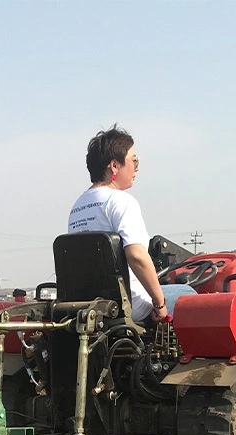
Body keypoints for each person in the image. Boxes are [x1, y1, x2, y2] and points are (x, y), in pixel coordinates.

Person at [68, 125, 194, 325]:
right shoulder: (120, 201)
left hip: (91, 306)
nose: (136, 167)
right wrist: (159, 304)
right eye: (134, 161)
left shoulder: (77, 208)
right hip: (130, 306)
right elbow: (136, 255)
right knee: (189, 295)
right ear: (114, 166)